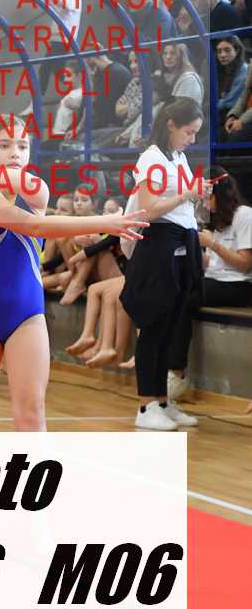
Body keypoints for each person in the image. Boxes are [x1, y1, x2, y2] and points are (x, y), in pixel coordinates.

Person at [0, 118, 149, 432]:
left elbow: (36, 212)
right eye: (4, 145)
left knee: (32, 414)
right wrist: (103, 222)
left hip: (26, 314)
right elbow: (33, 226)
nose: (15, 153)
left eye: (23, 146)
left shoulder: (36, 188)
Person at [119, 97, 209, 431]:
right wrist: (185, 195)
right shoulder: (152, 158)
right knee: (154, 327)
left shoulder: (178, 157)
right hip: (159, 245)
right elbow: (149, 209)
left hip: (182, 242)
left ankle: (161, 400)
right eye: (189, 132)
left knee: (171, 326)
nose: (192, 139)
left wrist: (194, 194)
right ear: (171, 125)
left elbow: (177, 204)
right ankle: (146, 406)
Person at [168, 168, 252, 400]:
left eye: (207, 197)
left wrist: (213, 244)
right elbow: (210, 264)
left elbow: (244, 264)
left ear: (219, 193)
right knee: (172, 290)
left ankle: (176, 372)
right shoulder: (214, 220)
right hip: (214, 280)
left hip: (238, 285)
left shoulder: (245, 215)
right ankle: (165, 363)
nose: (204, 203)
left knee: (184, 298)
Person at [85, 47, 132, 129]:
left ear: (89, 60)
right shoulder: (108, 71)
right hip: (113, 121)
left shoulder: (112, 73)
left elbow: (101, 108)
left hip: (116, 124)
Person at [215, 36, 248, 127]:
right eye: (219, 51)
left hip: (238, 115)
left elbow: (230, 102)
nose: (222, 55)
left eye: (227, 50)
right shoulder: (224, 70)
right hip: (225, 112)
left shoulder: (244, 70)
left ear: (237, 51)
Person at [222, 63, 252, 144]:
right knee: (221, 133)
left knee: (236, 138)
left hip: (247, 119)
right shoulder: (251, 67)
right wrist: (233, 116)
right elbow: (244, 96)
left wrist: (241, 121)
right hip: (246, 117)